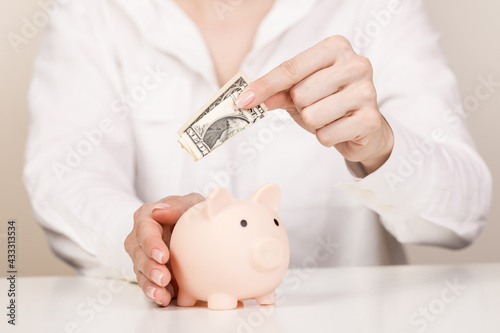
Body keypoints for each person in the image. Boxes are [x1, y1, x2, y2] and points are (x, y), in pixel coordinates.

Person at [24, 0, 492, 307]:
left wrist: (383, 147)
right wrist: (144, 239)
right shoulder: (93, 13)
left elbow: (463, 213)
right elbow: (64, 177)